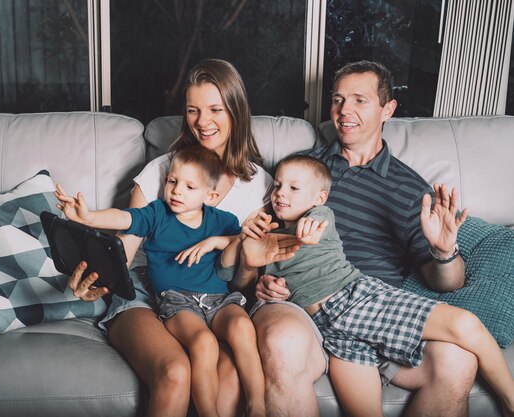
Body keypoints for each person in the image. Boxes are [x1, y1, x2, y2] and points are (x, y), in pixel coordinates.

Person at [243, 60, 480, 417]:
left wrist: (445, 251)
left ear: (388, 109)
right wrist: (264, 282)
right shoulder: (301, 172)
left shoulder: (410, 189)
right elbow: (262, 241)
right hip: (300, 305)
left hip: (373, 309)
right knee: (281, 342)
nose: (344, 111)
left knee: (458, 360)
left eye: (359, 100)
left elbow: (445, 282)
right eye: (338, 100)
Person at [55, 58, 274, 417]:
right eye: (193, 110)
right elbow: (124, 253)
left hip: (210, 296)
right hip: (144, 291)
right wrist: (96, 280)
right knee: (175, 372)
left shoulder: (259, 186)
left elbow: (244, 275)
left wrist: (237, 254)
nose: (203, 122)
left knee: (229, 374)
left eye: (215, 109)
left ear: (237, 110)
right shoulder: (160, 173)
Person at [239, 154, 514, 417]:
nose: (280, 192)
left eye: (293, 187)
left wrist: (444, 251)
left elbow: (314, 225)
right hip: (330, 330)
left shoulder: (319, 215)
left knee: (464, 324)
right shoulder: (270, 234)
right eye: (277, 186)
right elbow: (245, 273)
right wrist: (266, 282)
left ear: (318, 197)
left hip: (355, 299)